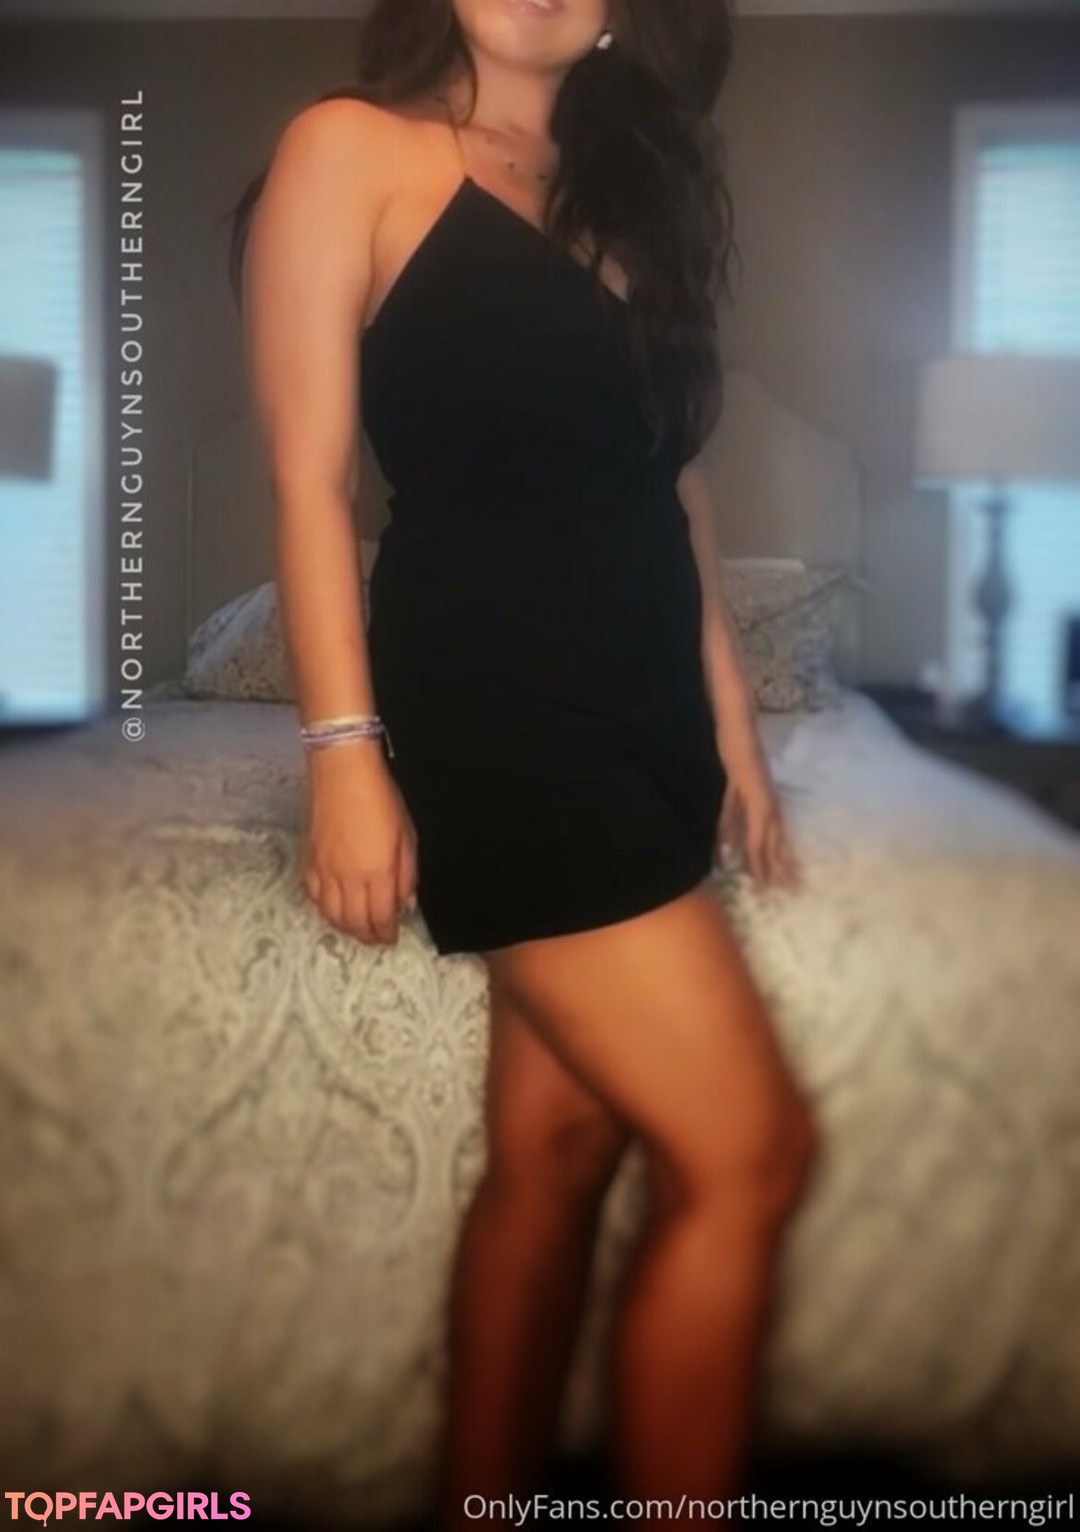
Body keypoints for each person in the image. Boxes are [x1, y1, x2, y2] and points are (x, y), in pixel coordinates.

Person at [230, 2, 818, 1526]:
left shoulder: (625, 198)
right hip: (503, 716)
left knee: (557, 1149)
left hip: (648, 717)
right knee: (752, 1157)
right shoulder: (350, 151)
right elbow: (307, 478)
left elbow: (669, 493)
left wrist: (736, 732)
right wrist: (343, 753)